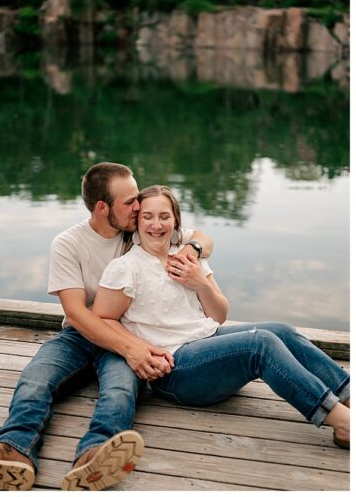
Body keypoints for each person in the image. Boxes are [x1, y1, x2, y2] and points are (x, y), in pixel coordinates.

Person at [0, 163, 213, 491]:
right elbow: (77, 313)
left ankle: (94, 455)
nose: (139, 207)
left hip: (129, 330)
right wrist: (132, 349)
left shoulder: (140, 228)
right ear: (102, 207)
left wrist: (189, 251)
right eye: (129, 202)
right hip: (81, 334)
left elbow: (203, 238)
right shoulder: (68, 243)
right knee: (36, 378)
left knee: (121, 389)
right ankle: (14, 451)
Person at [93, 186, 350, 450]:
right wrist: (138, 349)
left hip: (208, 342)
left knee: (281, 330)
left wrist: (200, 282)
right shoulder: (126, 267)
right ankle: (341, 422)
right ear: (136, 222)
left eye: (164, 216)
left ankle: (348, 396)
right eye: (148, 216)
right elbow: (102, 318)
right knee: (260, 344)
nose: (156, 225)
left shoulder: (188, 256)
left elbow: (219, 316)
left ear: (176, 220)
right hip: (176, 371)